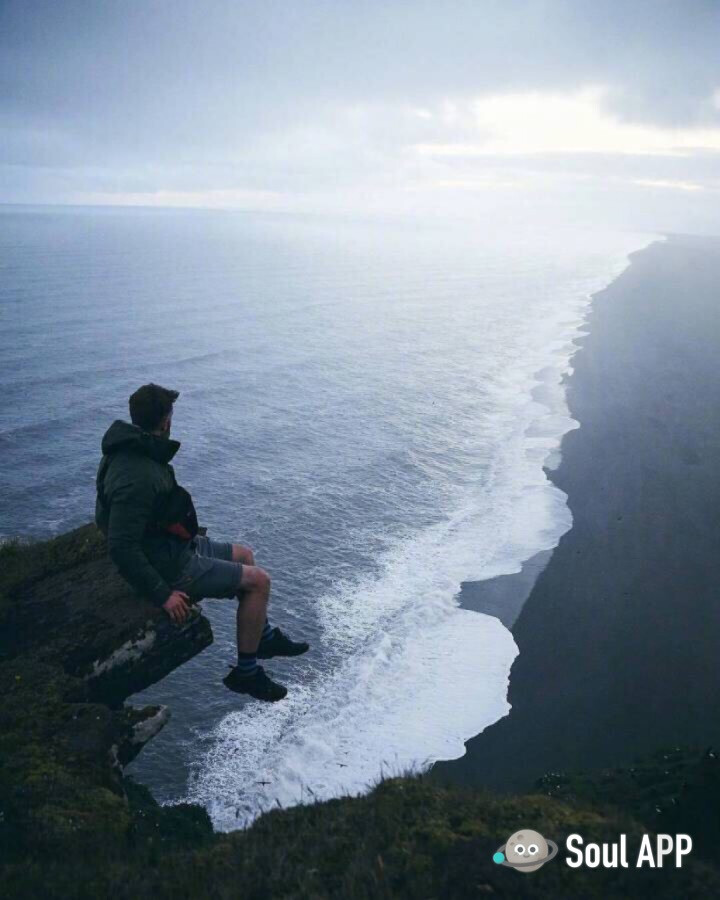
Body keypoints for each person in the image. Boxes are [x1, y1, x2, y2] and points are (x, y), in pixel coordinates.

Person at [95, 383, 308, 702]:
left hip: (173, 546)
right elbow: (121, 545)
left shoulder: (133, 449)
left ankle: (262, 637)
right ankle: (246, 674)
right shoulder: (135, 474)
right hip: (170, 565)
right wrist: (163, 594)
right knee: (259, 582)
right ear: (166, 420)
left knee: (245, 556)